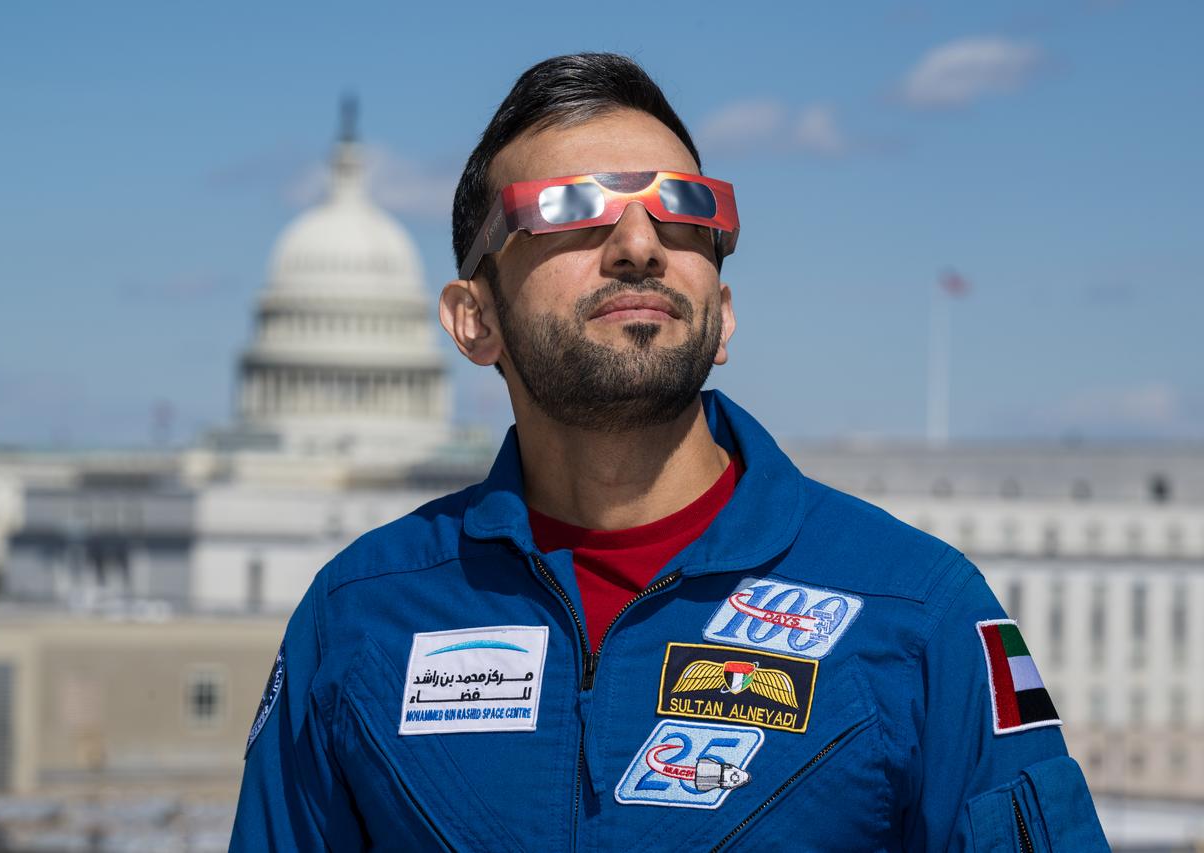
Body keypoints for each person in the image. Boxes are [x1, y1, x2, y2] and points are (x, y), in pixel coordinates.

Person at [229, 53, 1108, 851]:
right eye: (570, 210)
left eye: (685, 209)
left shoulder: (915, 612)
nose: (640, 244)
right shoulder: (359, 620)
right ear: (475, 318)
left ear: (721, 314)